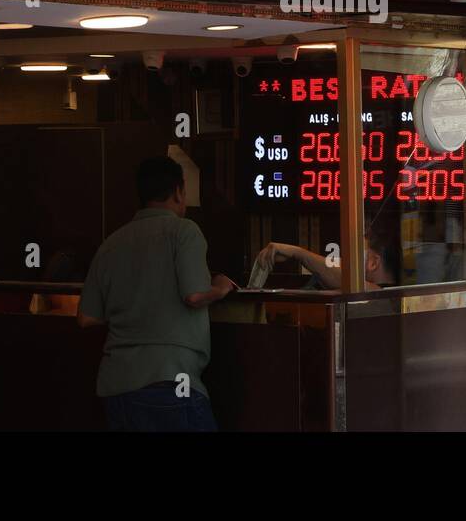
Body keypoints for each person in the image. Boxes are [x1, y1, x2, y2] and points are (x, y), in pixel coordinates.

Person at [78, 155, 234, 431]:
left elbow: (86, 318)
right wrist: (221, 288)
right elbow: (195, 296)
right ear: (178, 191)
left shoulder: (111, 243)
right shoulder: (184, 231)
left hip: (115, 387)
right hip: (171, 380)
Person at [254, 223, 399, 290]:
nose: (347, 261)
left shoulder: (383, 297)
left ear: (373, 262)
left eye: (356, 254)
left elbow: (346, 281)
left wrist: (297, 253)